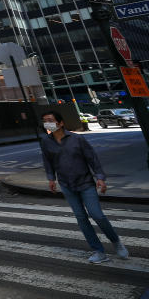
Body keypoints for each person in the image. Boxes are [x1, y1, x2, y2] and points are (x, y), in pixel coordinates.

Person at [41, 110, 129, 264]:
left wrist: (100, 178)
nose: (47, 123)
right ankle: (98, 251)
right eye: (44, 120)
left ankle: (115, 241)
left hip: (85, 182)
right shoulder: (46, 142)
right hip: (66, 184)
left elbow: (92, 159)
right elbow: (48, 162)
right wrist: (51, 179)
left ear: (60, 123)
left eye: (50, 120)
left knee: (97, 215)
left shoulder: (77, 139)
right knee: (81, 218)